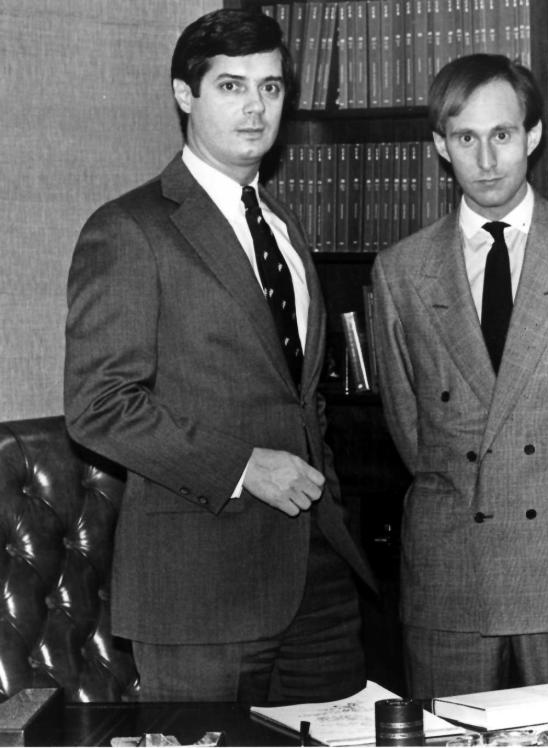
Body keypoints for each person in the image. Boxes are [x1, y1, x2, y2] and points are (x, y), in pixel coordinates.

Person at [64, 8, 375, 703]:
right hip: (198, 590)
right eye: (232, 87)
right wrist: (241, 467)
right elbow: (98, 408)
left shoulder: (285, 224)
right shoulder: (129, 229)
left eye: (271, 87)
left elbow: (297, 395)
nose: (257, 108)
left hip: (317, 574)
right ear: (185, 95)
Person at [371, 53, 548, 700]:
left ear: (531, 136)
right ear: (441, 148)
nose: (487, 157)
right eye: (465, 138)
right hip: (453, 572)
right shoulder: (400, 272)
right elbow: (409, 426)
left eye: (502, 134)